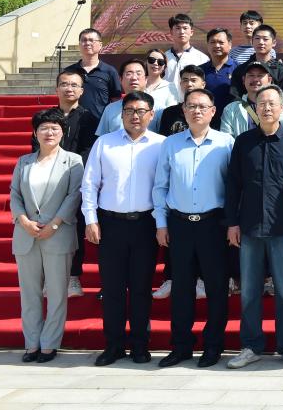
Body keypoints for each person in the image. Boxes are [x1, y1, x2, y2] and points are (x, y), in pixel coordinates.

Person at [225, 85, 283, 369]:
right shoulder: (243, 142)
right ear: (255, 108)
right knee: (249, 292)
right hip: (248, 227)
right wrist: (232, 223)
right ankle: (251, 345)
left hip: (282, 227)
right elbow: (233, 185)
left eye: (272, 103)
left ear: (282, 108)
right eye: (262, 103)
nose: (267, 108)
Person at [152, 88, 234, 369]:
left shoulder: (226, 143)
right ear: (183, 110)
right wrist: (161, 223)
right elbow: (160, 186)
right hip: (180, 225)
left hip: (214, 224)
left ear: (213, 111)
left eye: (202, 106)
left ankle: (213, 346)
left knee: (217, 288)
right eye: (191, 106)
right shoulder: (171, 144)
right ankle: (181, 346)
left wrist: (231, 223)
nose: (197, 111)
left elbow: (233, 187)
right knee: (182, 288)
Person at [81, 91, 165, 366]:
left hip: (145, 224)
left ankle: (140, 345)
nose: (135, 116)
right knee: (112, 288)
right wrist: (91, 219)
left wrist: (162, 224)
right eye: (129, 111)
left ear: (151, 115)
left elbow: (164, 188)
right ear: (121, 114)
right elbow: (90, 184)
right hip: (110, 224)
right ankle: (113, 345)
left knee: (141, 288)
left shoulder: (161, 145)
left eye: (141, 111)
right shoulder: (104, 143)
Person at [11, 108, 84, 363]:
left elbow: (74, 195)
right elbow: (14, 194)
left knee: (56, 293)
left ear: (63, 132)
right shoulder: (24, 162)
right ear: (35, 133)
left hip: (58, 234)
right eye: (44, 128)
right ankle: (31, 343)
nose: (49, 132)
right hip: (26, 234)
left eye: (55, 128)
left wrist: (54, 224)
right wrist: (23, 221)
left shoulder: (73, 160)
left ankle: (49, 344)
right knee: (29, 293)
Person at [151, 64, 210, 301]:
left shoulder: (209, 111)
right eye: (184, 80)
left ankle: (202, 279)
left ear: (203, 84)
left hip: (205, 180)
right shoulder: (169, 113)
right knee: (175, 240)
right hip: (177, 170)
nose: (189, 84)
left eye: (194, 80)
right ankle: (170, 278)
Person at [39, 70, 98, 298]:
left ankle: (73, 276)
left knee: (75, 228)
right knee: (48, 226)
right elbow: (37, 146)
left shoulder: (89, 118)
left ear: (82, 91)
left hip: (77, 180)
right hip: (48, 181)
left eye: (74, 85)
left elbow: (89, 150)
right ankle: (49, 277)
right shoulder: (46, 117)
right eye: (64, 84)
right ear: (57, 89)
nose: (69, 89)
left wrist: (70, 168)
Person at [65, 27, 121, 123]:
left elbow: (115, 101)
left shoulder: (110, 71)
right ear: (79, 45)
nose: (87, 43)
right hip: (73, 124)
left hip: (100, 125)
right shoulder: (69, 71)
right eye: (84, 40)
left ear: (100, 45)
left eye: (91, 40)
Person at [221, 61, 283, 136]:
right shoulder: (231, 109)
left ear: (269, 80)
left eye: (260, 75)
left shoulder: (280, 107)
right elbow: (227, 140)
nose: (255, 79)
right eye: (251, 75)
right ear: (244, 80)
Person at [229, 24, 283, 101]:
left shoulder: (282, 70)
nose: (261, 42)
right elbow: (235, 97)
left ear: (274, 43)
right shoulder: (241, 69)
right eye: (257, 38)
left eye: (265, 39)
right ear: (252, 41)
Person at [96, 59, 159, 136]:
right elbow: (102, 138)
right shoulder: (110, 109)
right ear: (120, 80)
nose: (134, 78)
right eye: (129, 74)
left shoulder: (158, 108)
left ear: (146, 79)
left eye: (138, 73)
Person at [200, 27, 237, 126]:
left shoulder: (239, 69)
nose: (216, 45)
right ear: (208, 45)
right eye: (212, 42)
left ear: (230, 45)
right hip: (206, 122)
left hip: (232, 121)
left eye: (221, 42)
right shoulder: (200, 71)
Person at [163, 14, 209, 84]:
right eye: (178, 28)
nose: (182, 32)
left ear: (191, 32)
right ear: (171, 32)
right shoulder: (162, 58)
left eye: (185, 28)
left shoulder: (202, 58)